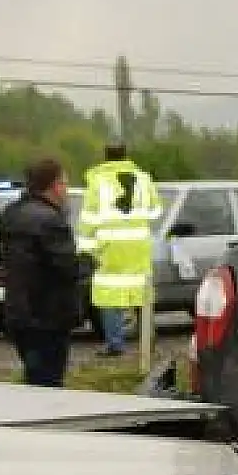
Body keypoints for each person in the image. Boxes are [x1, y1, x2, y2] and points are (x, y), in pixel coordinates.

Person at [0, 157, 81, 387]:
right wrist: (88, 264)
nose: (66, 190)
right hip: (48, 315)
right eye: (64, 183)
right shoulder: (52, 221)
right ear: (53, 186)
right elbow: (66, 267)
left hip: (19, 312)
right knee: (49, 381)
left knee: (34, 377)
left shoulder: (10, 215)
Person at [78, 142, 164, 359]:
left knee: (109, 297)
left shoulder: (97, 181)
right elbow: (156, 210)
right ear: (126, 156)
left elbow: (88, 219)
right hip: (138, 245)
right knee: (141, 294)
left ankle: (116, 344)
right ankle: (148, 341)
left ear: (105, 157)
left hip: (109, 247)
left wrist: (86, 250)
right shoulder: (144, 179)